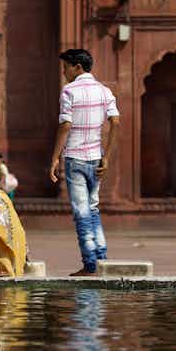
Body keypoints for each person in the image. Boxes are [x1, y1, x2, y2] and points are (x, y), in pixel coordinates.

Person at [49, 48, 120, 276]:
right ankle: (101, 259)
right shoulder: (104, 91)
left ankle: (90, 265)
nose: (63, 72)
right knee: (92, 209)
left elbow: (66, 125)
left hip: (75, 158)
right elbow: (115, 122)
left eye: (65, 67)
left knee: (81, 212)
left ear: (77, 67)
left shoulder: (69, 91)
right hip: (96, 157)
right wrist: (106, 157)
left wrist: (54, 157)